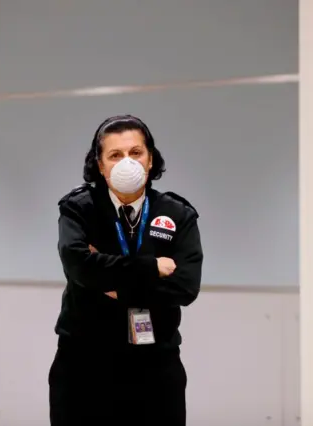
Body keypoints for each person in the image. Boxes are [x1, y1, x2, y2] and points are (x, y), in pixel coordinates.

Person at [49, 114, 203, 426]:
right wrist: (151, 268)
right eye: (115, 155)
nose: (127, 163)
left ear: (150, 160)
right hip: (85, 363)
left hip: (156, 365)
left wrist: (114, 285)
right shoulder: (79, 209)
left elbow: (185, 287)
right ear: (100, 165)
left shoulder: (176, 213)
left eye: (135, 153)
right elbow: (80, 266)